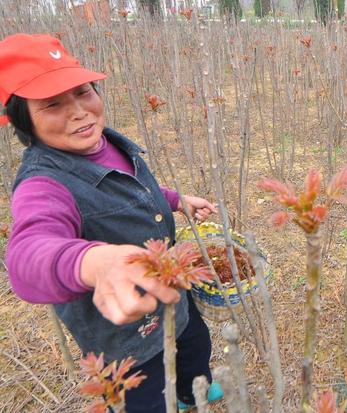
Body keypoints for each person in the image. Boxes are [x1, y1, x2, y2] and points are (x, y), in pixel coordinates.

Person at [1, 33, 221, 412]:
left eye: (83, 92)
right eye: (52, 104)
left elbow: (136, 191)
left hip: (170, 292)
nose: (78, 111)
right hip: (123, 333)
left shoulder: (112, 145)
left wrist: (177, 201)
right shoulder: (43, 183)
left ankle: (191, 393)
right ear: (24, 122)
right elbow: (27, 253)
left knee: (195, 346)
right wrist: (94, 262)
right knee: (147, 396)